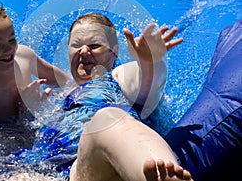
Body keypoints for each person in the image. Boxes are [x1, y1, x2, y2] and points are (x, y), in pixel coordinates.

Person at [14, 12, 192, 181]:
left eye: (94, 46)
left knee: (107, 119)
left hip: (91, 168)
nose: (84, 51)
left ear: (114, 52)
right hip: (43, 174)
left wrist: (148, 62)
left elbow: (148, 87)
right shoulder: (55, 96)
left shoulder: (116, 77)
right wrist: (27, 112)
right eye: (76, 45)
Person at [0, 1, 70, 175]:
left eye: (11, 39)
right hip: (2, 134)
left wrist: (78, 90)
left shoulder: (23, 56)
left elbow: (59, 79)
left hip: (30, 120)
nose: (8, 49)